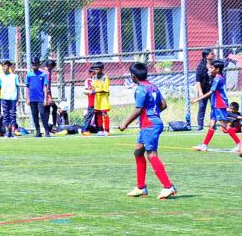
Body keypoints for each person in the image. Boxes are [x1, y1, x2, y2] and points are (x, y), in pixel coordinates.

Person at [119, 63, 177, 199]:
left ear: (133, 76)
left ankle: (168, 186)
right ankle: (141, 188)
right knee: (138, 152)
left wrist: (125, 123)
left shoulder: (140, 89)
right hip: (150, 123)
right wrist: (153, 114)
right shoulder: (153, 86)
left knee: (152, 155)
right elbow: (163, 105)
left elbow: (138, 109)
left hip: (149, 124)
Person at [191, 59, 241, 152]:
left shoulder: (218, 79)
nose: (209, 69)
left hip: (219, 104)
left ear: (217, 69)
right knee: (212, 125)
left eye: (211, 68)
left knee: (224, 125)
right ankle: (204, 146)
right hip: (215, 104)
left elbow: (211, 92)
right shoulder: (217, 77)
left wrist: (197, 99)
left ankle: (239, 144)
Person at [25, 58, 51, 137]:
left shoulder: (43, 75)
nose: (34, 66)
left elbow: (45, 87)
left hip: (40, 98)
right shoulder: (29, 75)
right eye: (33, 64)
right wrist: (27, 98)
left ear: (39, 64)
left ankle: (47, 131)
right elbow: (27, 87)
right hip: (32, 98)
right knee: (34, 115)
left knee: (42, 114)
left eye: (36, 64)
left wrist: (45, 98)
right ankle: (38, 131)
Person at [0, 60, 21, 138]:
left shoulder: (14, 76)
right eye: (3, 66)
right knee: (5, 115)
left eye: (5, 66)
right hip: (4, 98)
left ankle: (13, 132)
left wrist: (18, 99)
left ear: (9, 66)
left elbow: (17, 88)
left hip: (12, 98)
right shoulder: (0, 76)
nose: (4, 68)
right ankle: (7, 132)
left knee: (12, 115)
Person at [194, 49, 214, 131]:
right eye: (212, 54)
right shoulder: (200, 66)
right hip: (204, 90)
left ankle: (212, 125)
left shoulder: (215, 65)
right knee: (202, 107)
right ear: (206, 56)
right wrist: (200, 92)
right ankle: (200, 125)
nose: (214, 55)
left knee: (213, 107)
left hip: (213, 90)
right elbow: (198, 80)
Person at [91, 62, 112, 135]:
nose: (96, 71)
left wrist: (95, 90)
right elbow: (93, 86)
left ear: (102, 69)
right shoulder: (94, 77)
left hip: (103, 98)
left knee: (104, 113)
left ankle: (107, 130)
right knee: (98, 114)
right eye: (95, 69)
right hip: (97, 98)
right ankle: (100, 130)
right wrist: (92, 90)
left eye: (97, 69)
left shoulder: (105, 77)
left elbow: (105, 89)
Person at [44, 59, 58, 132]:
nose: (53, 69)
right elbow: (47, 86)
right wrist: (49, 97)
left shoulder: (45, 71)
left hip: (46, 93)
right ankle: (51, 126)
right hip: (46, 93)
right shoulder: (47, 73)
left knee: (50, 108)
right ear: (50, 66)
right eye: (53, 67)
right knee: (50, 108)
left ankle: (49, 127)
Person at [82, 66, 97, 132]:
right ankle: (85, 129)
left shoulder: (98, 80)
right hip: (92, 101)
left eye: (95, 74)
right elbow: (86, 90)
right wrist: (92, 91)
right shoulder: (88, 81)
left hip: (99, 101)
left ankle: (98, 129)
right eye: (93, 74)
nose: (95, 75)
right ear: (90, 74)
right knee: (89, 115)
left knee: (98, 116)